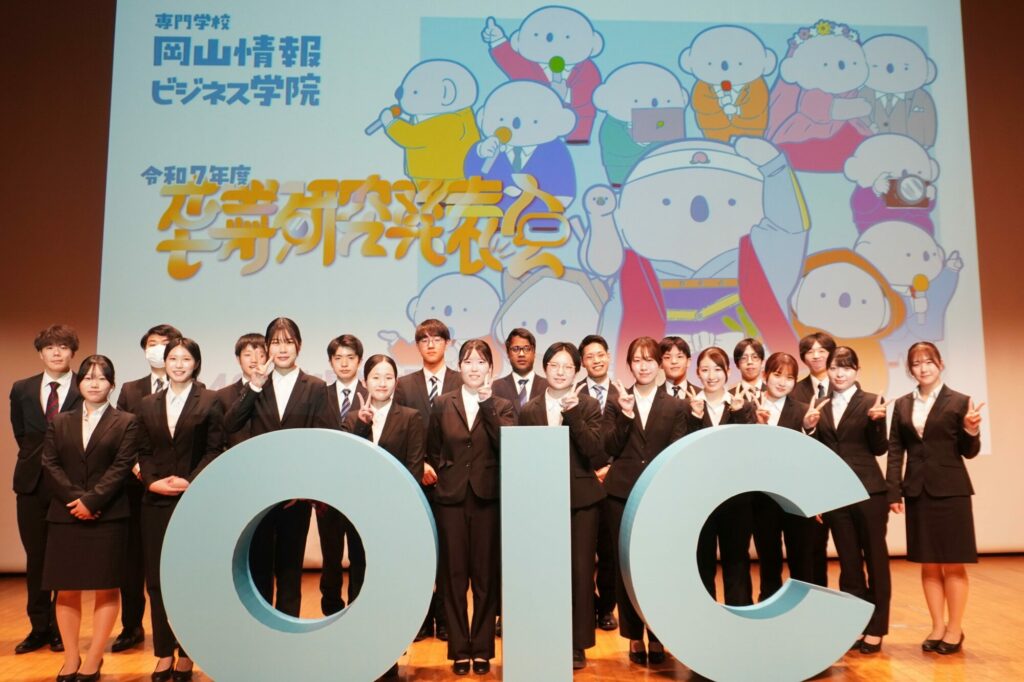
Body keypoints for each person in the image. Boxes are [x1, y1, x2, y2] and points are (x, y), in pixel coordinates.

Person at [41, 355, 138, 682]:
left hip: (108, 516)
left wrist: (93, 500)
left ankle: (93, 660)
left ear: (112, 384)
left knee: (106, 588)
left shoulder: (126, 421)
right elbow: (50, 464)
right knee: (65, 589)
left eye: (101, 378)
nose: (94, 384)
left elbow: (122, 466)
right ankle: (71, 658)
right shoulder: (60, 421)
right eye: (88, 377)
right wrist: (77, 500)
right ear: (78, 382)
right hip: (66, 514)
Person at [225, 317, 327, 617]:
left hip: (297, 496)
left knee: (291, 569)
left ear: (299, 345)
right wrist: (254, 386)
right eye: (276, 342)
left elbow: (322, 440)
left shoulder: (316, 386)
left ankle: (288, 629)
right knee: (258, 566)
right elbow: (231, 424)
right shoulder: (258, 384)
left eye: (288, 342)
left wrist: (303, 486)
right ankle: (261, 629)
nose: (282, 349)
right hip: (259, 493)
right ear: (267, 347)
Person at [136, 338, 225, 680]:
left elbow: (215, 448)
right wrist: (152, 482)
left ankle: (187, 654)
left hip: (195, 501)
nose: (178, 364)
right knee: (157, 580)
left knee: (191, 579)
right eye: (172, 358)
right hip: (156, 500)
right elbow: (143, 451)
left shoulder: (211, 400)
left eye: (185, 359)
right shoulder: (148, 403)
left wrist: (191, 481)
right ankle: (163, 653)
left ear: (196, 363)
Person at [887, 341, 983, 655]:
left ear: (940, 364)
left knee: (953, 563)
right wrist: (894, 490)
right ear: (910, 369)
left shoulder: (960, 402)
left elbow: (969, 451)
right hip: (917, 491)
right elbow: (896, 451)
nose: (923, 368)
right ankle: (937, 626)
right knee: (928, 564)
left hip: (952, 491)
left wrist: (971, 430)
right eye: (916, 363)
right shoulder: (902, 404)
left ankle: (955, 629)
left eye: (929, 361)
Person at [427, 339, 515, 675]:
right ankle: (459, 650)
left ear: (490, 368)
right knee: (453, 577)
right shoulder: (442, 402)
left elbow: (507, 444)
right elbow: (434, 449)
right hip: (450, 499)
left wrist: (487, 404)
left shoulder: (502, 404)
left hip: (487, 499)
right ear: (459, 366)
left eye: (481, 362)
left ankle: (482, 649)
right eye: (468, 361)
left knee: (484, 578)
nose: (474, 367)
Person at [603, 337, 692, 666]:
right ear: (629, 364)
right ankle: (633, 635)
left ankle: (657, 634)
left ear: (660, 364)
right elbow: (608, 446)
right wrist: (626, 415)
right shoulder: (616, 401)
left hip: (659, 494)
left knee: (656, 565)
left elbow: (677, 449)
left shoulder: (676, 405)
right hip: (620, 493)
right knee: (624, 566)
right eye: (637, 360)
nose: (643, 366)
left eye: (649, 360)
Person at [519, 342, 605, 669]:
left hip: (581, 500)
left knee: (581, 572)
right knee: (545, 572)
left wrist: (573, 414)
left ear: (576, 372)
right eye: (555, 365)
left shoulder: (588, 404)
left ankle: (577, 643)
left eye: (568, 367)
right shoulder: (529, 409)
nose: (560, 372)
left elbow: (594, 452)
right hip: (541, 500)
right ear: (544, 368)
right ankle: (545, 636)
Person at [342, 353, 426, 679]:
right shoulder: (352, 419)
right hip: (359, 514)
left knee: (389, 584)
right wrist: (362, 424)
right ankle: (360, 649)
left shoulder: (411, 417)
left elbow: (414, 468)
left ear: (396, 382)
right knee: (360, 579)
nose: (381, 383)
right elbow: (346, 461)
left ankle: (388, 654)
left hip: (394, 514)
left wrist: (399, 508)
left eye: (388, 377)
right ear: (365, 382)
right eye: (375, 377)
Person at [9, 324, 82, 655]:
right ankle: (39, 627)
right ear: (40, 353)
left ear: (72, 352)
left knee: (64, 558)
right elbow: (22, 434)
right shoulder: (22, 388)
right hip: (31, 483)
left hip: (70, 485)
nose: (56, 352)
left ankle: (59, 628)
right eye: (50, 347)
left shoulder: (85, 385)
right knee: (36, 556)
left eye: (63, 346)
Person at [814, 346, 892, 654]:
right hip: (836, 494)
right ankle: (856, 624)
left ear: (856, 370)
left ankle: (877, 628)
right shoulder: (819, 404)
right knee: (848, 563)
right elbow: (818, 454)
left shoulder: (872, 401)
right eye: (834, 367)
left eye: (846, 367)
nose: (839, 373)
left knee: (875, 560)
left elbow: (879, 448)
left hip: (869, 491)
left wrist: (877, 422)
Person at [112, 323, 183, 652]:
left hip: (178, 485)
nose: (159, 349)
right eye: (153, 344)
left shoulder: (194, 389)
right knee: (134, 562)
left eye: (166, 344)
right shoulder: (131, 389)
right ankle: (131, 626)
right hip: (137, 485)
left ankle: (179, 631)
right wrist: (143, 473)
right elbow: (123, 436)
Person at [394, 318, 461, 642]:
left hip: (455, 480)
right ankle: (420, 618)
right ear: (417, 345)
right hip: (416, 478)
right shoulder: (404, 385)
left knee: (449, 553)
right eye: (424, 339)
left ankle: (446, 619)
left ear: (448, 343)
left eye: (437, 339)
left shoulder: (462, 379)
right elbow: (399, 429)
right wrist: (419, 463)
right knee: (419, 551)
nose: (430, 344)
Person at [749, 351, 824, 601]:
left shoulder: (804, 411)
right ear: (765, 375)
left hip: (797, 498)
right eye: (777, 375)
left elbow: (814, 457)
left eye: (790, 378)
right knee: (768, 562)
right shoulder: (749, 409)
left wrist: (809, 428)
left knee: (802, 561)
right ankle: (769, 608)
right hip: (762, 499)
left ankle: (802, 611)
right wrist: (755, 426)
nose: (782, 382)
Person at [692, 346, 756, 606]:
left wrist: (739, 414)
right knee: (702, 561)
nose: (711, 376)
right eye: (705, 370)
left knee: (737, 561)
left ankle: (740, 616)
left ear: (728, 371)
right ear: (697, 373)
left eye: (717, 369)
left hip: (736, 498)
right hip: (700, 499)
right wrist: (694, 418)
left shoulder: (743, 406)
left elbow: (750, 449)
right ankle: (704, 618)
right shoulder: (688, 407)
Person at [318, 334, 368, 619]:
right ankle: (331, 610)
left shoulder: (372, 393)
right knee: (331, 554)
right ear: (331, 362)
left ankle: (357, 610)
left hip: (361, 489)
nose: (344, 363)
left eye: (350, 357)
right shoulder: (319, 395)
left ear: (359, 361)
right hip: (326, 491)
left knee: (360, 553)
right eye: (338, 358)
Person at [576, 334, 618, 632]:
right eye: (590, 356)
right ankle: (588, 604)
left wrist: (611, 468)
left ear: (608, 356)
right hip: (584, 480)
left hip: (614, 482)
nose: (596, 360)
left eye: (600, 354)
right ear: (582, 362)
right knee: (581, 553)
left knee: (609, 551)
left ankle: (606, 609)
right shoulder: (573, 394)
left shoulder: (624, 393)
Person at [791, 331, 837, 587]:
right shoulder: (795, 391)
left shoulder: (844, 387)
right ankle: (815, 601)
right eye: (810, 352)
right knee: (811, 547)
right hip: (808, 479)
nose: (816, 356)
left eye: (822, 350)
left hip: (840, 476)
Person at [217, 333, 267, 449]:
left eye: (261, 355)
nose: (254, 360)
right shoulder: (222, 396)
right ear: (238, 359)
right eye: (248, 355)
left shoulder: (276, 392)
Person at [492, 327, 549, 415]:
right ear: (508, 353)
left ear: (534, 353)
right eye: (515, 349)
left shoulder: (548, 387)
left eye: (526, 349)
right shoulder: (495, 387)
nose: (521, 354)